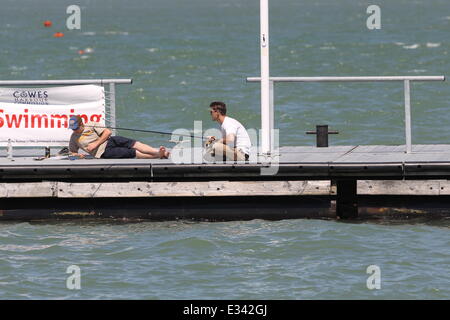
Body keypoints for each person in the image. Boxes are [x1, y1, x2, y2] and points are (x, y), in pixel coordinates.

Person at [68, 115, 169, 159]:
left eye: (76, 128)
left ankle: (157, 152)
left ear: (82, 123)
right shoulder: (74, 138)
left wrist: (95, 143)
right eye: (72, 128)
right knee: (133, 153)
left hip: (110, 141)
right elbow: (72, 152)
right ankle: (159, 155)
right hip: (103, 153)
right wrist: (77, 156)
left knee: (134, 143)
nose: (74, 130)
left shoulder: (91, 124)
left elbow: (107, 132)